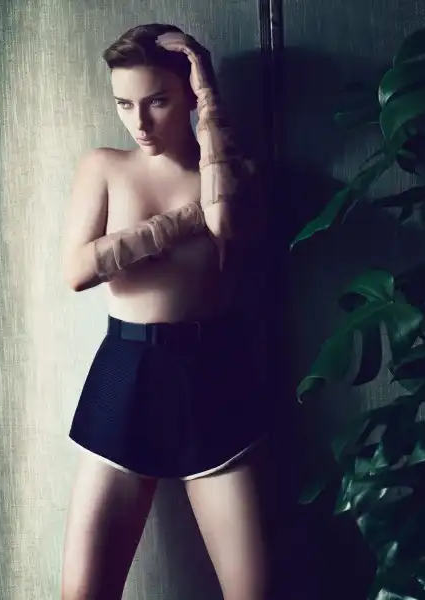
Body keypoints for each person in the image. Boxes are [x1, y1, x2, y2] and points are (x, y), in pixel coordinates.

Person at [60, 22, 270, 600]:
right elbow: (77, 271)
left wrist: (210, 97)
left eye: (157, 101)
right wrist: (180, 221)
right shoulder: (104, 167)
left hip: (214, 371)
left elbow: (224, 221)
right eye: (125, 104)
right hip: (126, 372)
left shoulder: (230, 175)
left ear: (189, 96)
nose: (140, 124)